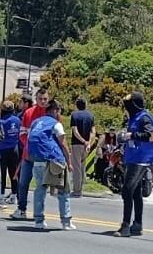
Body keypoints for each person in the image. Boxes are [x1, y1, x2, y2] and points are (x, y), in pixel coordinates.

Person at [22, 100, 73, 230]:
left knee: (40, 190)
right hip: (53, 161)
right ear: (55, 110)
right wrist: (69, 161)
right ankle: (66, 222)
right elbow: (63, 143)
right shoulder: (56, 124)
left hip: (37, 161)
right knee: (63, 190)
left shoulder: (35, 123)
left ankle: (38, 221)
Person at [117, 92, 153, 237]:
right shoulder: (134, 118)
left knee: (127, 190)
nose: (126, 107)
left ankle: (125, 226)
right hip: (133, 156)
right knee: (135, 192)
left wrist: (132, 135)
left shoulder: (144, 117)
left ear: (135, 105)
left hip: (141, 158)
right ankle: (137, 224)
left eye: (128, 104)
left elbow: (151, 136)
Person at [16, 93, 48, 209]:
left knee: (41, 185)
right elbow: (22, 134)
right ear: (36, 99)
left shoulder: (50, 114)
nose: (43, 101)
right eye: (40, 99)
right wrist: (30, 145)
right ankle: (21, 209)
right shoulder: (28, 113)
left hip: (43, 157)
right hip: (28, 155)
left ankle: (39, 212)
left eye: (45, 99)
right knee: (23, 183)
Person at [67, 98, 95, 198]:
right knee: (83, 167)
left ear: (76, 105)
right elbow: (93, 132)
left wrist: (82, 140)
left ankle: (77, 191)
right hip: (87, 146)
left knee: (76, 168)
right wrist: (89, 143)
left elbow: (75, 130)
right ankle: (81, 189)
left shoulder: (74, 115)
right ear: (86, 104)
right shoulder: (91, 116)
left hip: (77, 144)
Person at [0, 103, 21, 204]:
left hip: (3, 149)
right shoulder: (17, 120)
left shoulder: (1, 122)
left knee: (2, 173)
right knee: (14, 173)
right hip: (14, 148)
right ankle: (14, 195)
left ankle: (1, 195)